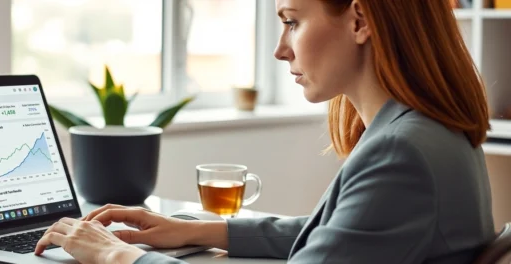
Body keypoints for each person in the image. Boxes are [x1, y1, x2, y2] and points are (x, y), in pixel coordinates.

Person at [34, 0, 496, 263]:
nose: (280, 50)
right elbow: (337, 233)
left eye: (292, 22)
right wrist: (197, 231)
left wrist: (117, 256)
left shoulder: (401, 152)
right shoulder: (425, 129)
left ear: (361, 20)